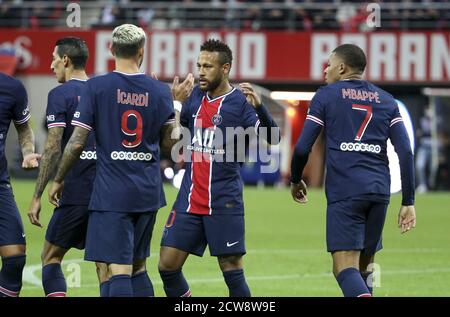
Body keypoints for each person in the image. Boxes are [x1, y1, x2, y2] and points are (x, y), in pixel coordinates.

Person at [48, 24, 194, 297]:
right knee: (139, 268)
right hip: (148, 193)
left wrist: (58, 179)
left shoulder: (96, 87)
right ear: (142, 51)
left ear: (111, 49)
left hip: (111, 194)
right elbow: (170, 147)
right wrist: (176, 105)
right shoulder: (159, 91)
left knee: (119, 271)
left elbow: (77, 141)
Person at [290, 44, 416, 297]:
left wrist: (295, 179)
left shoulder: (326, 96)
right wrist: (408, 201)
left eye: (329, 64)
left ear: (342, 67)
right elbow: (405, 151)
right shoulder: (386, 100)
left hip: (345, 191)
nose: (325, 69)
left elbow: (304, 146)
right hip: (379, 191)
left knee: (343, 268)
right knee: (365, 266)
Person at [158, 39, 280, 297]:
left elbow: (274, 138)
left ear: (225, 68)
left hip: (224, 202)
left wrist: (261, 108)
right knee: (167, 266)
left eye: (208, 66)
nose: (201, 71)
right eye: (199, 65)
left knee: (232, 270)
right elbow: (173, 144)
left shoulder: (241, 102)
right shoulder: (193, 99)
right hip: (189, 200)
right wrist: (176, 105)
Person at [27, 37, 108, 297]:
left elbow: (52, 147)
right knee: (104, 263)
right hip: (109, 191)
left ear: (65, 60)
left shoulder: (60, 94)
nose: (51, 66)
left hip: (77, 189)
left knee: (50, 256)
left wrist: (38, 194)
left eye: (53, 59)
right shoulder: (103, 90)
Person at [0, 71, 40, 297]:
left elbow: (24, 128)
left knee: (15, 257)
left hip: (0, 184)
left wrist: (28, 152)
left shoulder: (12, 88)